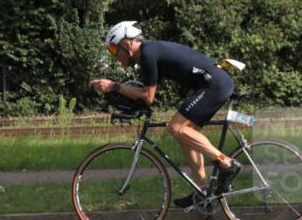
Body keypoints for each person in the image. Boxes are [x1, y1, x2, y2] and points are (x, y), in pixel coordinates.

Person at [90, 21, 241, 210]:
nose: (114, 55)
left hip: (214, 84)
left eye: (114, 48)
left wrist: (114, 86)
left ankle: (227, 164)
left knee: (176, 128)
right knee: (186, 136)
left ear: (127, 44)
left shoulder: (147, 54)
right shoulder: (149, 54)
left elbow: (147, 96)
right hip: (212, 83)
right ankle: (205, 193)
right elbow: (148, 94)